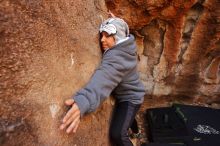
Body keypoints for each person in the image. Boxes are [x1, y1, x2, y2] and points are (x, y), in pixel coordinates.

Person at [60, 13, 145, 146]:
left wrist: (85, 100)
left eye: (107, 36)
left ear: (117, 38)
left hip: (131, 98)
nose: (102, 40)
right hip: (128, 90)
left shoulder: (118, 58)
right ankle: (135, 130)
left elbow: (104, 77)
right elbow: (123, 31)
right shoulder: (127, 44)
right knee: (126, 118)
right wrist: (116, 21)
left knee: (117, 135)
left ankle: (134, 134)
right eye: (101, 35)